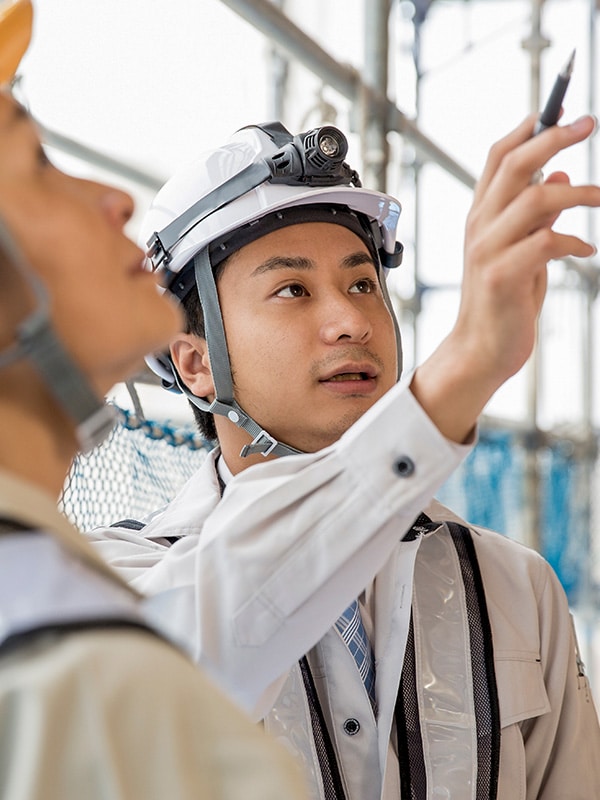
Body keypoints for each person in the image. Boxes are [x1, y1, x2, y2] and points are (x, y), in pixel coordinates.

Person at [89, 113, 600, 799]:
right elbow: (206, 644)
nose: (352, 320)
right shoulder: (113, 587)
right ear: (197, 363)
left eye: (362, 285)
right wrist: (465, 367)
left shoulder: (515, 586)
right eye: (293, 290)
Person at [0, 5, 309, 798]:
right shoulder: (79, 680)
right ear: (195, 366)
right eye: (38, 163)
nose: (114, 198)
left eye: (361, 282)